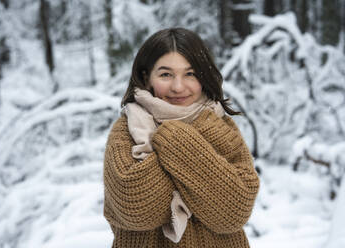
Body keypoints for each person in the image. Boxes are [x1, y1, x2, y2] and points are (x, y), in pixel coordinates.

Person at [103, 27, 260, 248]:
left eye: (190, 74)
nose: (178, 87)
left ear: (203, 77)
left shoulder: (222, 127)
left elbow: (234, 212)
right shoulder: (125, 131)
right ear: (147, 78)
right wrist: (205, 179)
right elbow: (136, 207)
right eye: (166, 74)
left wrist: (174, 138)